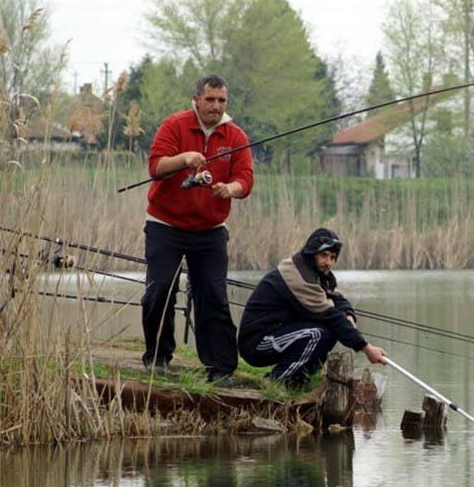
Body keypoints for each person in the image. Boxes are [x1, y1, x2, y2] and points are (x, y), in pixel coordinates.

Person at [141, 73, 253, 387]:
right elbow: (155, 167)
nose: (216, 107)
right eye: (210, 100)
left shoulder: (236, 136)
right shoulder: (174, 125)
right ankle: (158, 358)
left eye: (221, 101)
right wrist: (184, 159)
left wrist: (230, 189)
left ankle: (220, 369)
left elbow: (245, 179)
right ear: (196, 100)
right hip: (165, 224)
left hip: (211, 229)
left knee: (214, 297)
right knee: (159, 290)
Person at [238, 227, 386, 388]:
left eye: (332, 257)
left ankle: (297, 383)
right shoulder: (299, 276)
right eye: (323, 255)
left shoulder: (316, 274)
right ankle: (274, 381)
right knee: (317, 334)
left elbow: (336, 298)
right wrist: (366, 348)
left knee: (329, 332)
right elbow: (332, 316)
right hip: (257, 343)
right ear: (312, 253)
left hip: (280, 333)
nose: (328, 262)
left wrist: (348, 314)